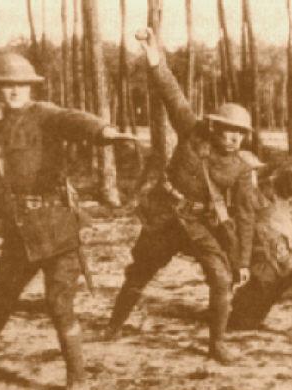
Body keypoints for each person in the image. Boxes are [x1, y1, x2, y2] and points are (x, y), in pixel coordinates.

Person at [0, 52, 131, 390]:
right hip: (20, 230)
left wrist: (103, 131)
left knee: (59, 304)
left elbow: (73, 120)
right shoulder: (0, 128)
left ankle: (78, 381)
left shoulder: (44, 114)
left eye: (18, 85)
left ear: (29, 87)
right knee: (2, 296)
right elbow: (0, 178)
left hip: (56, 228)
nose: (12, 92)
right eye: (4, 86)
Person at [103, 28, 256, 365]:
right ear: (215, 127)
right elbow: (171, 93)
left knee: (221, 277)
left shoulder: (242, 171)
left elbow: (246, 217)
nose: (233, 139)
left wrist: (243, 261)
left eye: (240, 134)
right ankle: (114, 325)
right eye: (228, 131)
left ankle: (217, 343)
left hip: (200, 226)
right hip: (164, 218)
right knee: (140, 272)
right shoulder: (192, 132)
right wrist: (152, 52)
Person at [228, 165, 292, 330]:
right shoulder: (257, 198)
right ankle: (241, 311)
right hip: (262, 255)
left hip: (277, 250)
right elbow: (247, 231)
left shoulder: (279, 199)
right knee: (245, 321)